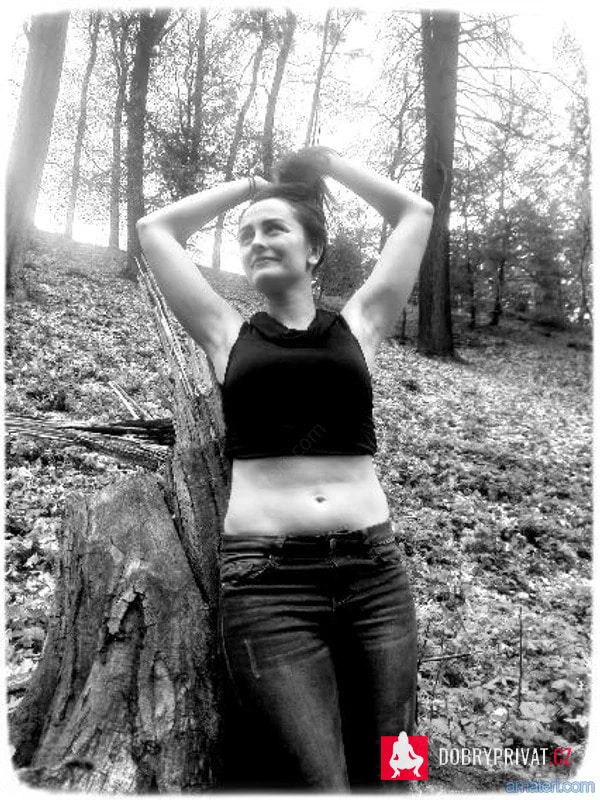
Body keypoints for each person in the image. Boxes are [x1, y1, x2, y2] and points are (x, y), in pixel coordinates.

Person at [136, 146, 433, 790]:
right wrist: (252, 186)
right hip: (268, 585)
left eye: (274, 228)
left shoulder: (359, 325)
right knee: (315, 782)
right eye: (246, 235)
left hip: (375, 574)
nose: (256, 241)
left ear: (313, 250)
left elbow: (416, 212)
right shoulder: (227, 334)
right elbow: (155, 229)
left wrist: (330, 165)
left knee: (397, 771)